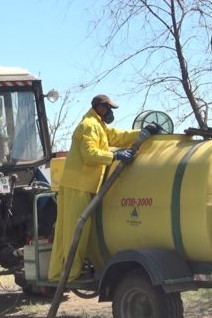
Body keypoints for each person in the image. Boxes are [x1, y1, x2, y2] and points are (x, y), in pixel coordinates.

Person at [48, 94, 159, 282]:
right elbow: (89, 154)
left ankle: (60, 272)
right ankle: (69, 273)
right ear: (99, 107)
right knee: (75, 232)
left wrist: (143, 133)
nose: (110, 112)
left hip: (82, 185)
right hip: (78, 185)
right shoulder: (88, 126)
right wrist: (115, 156)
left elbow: (118, 136)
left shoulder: (99, 125)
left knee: (71, 231)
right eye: (108, 109)